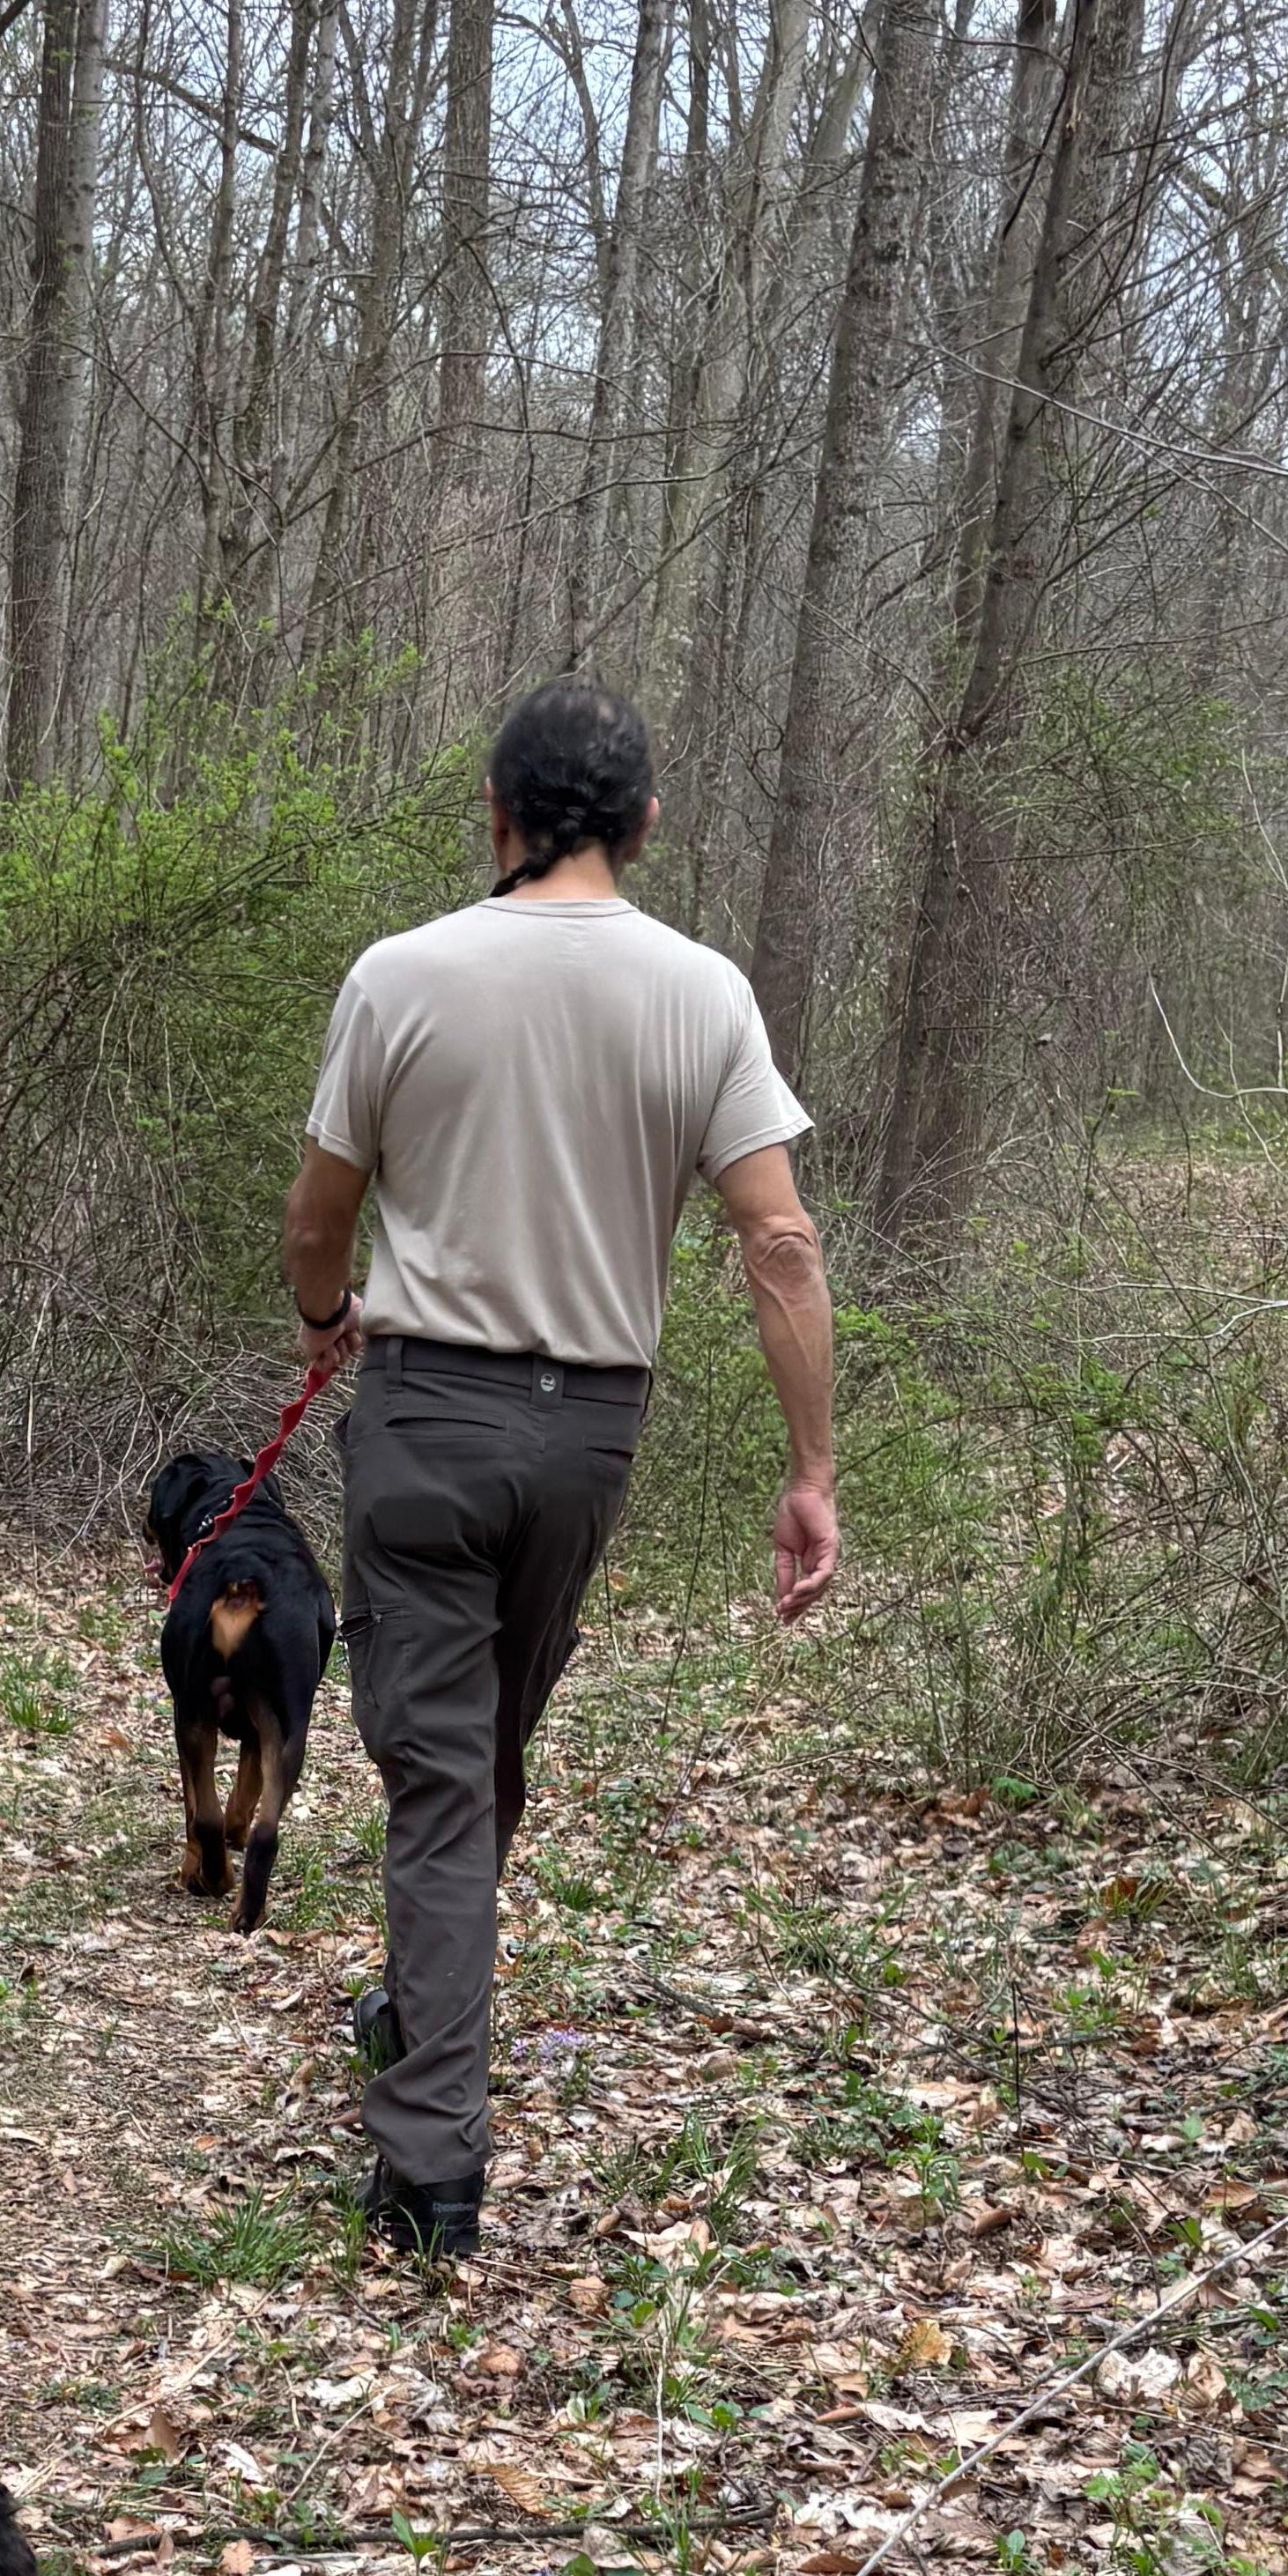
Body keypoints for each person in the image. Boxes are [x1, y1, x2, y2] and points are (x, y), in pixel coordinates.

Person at [281, 677, 838, 2261]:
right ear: (647, 825)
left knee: (452, 1776)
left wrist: (328, 1316)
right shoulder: (705, 994)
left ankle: (432, 2164)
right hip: (589, 1434)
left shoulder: (402, 976)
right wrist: (811, 1468)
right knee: (478, 1755)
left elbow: (322, 1216)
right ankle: (424, 2020)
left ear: (499, 817)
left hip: (424, 1419)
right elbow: (779, 1239)